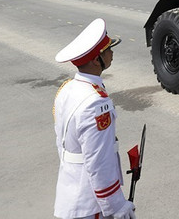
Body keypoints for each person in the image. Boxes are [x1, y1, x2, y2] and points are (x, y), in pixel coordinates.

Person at [53, 18, 136, 219]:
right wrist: (116, 207)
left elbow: (60, 142)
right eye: (107, 50)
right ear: (95, 60)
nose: (112, 53)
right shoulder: (95, 103)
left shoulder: (67, 88)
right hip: (91, 203)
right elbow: (100, 160)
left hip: (70, 188)